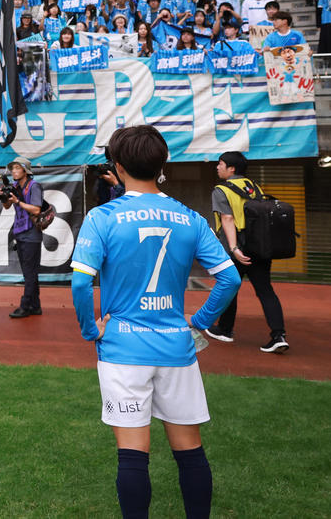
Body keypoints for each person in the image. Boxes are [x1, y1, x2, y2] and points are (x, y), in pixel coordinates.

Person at [70, 125, 241, 519]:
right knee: (190, 452)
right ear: (162, 164)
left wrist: (90, 329)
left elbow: (80, 283)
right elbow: (229, 278)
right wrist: (197, 322)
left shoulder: (102, 217)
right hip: (176, 347)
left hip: (123, 348)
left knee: (133, 456)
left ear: (116, 165)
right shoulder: (189, 217)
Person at [204, 152, 289, 353]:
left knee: (229, 285)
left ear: (231, 168)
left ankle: (225, 330)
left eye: (221, 164)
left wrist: (234, 249)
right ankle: (279, 335)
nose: (217, 167)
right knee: (265, 290)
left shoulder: (221, 189)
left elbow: (227, 218)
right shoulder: (254, 186)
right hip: (260, 246)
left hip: (238, 247)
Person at [1, 157, 46, 319]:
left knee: (29, 272)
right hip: (20, 233)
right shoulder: (14, 186)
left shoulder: (35, 187)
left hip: (32, 234)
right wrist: (4, 197)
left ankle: (25, 305)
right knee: (29, 272)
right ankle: (35, 306)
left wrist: (18, 201)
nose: (13, 171)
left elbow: (35, 209)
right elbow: (6, 206)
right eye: (12, 168)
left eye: (17, 168)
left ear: (25, 171)